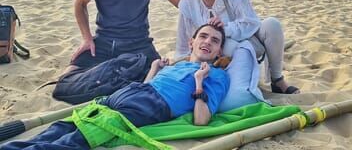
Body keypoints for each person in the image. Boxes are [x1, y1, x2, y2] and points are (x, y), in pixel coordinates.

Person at [2, 24, 229, 150]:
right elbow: (147, 85)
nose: (207, 42)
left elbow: (201, 119)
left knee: (75, 140)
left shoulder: (216, 76)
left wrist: (199, 82)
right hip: (129, 93)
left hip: (150, 105)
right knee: (61, 127)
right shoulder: (176, 64)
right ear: (192, 42)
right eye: (203, 36)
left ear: (219, 51)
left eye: (214, 40)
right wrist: (154, 68)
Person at [176, 0, 299, 111]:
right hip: (216, 52)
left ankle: (277, 80)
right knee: (227, 46)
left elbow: (251, 22)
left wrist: (225, 29)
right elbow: (183, 37)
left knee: (272, 25)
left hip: (248, 41)